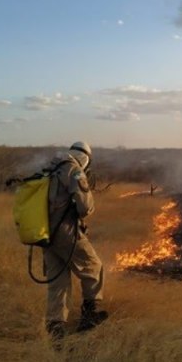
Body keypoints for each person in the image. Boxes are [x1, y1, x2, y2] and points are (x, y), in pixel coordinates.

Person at [43, 141, 108, 343]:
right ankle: (90, 314)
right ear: (85, 158)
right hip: (66, 232)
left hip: (45, 235)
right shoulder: (73, 170)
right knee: (94, 267)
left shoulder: (49, 168)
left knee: (58, 281)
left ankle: (56, 329)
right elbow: (85, 207)